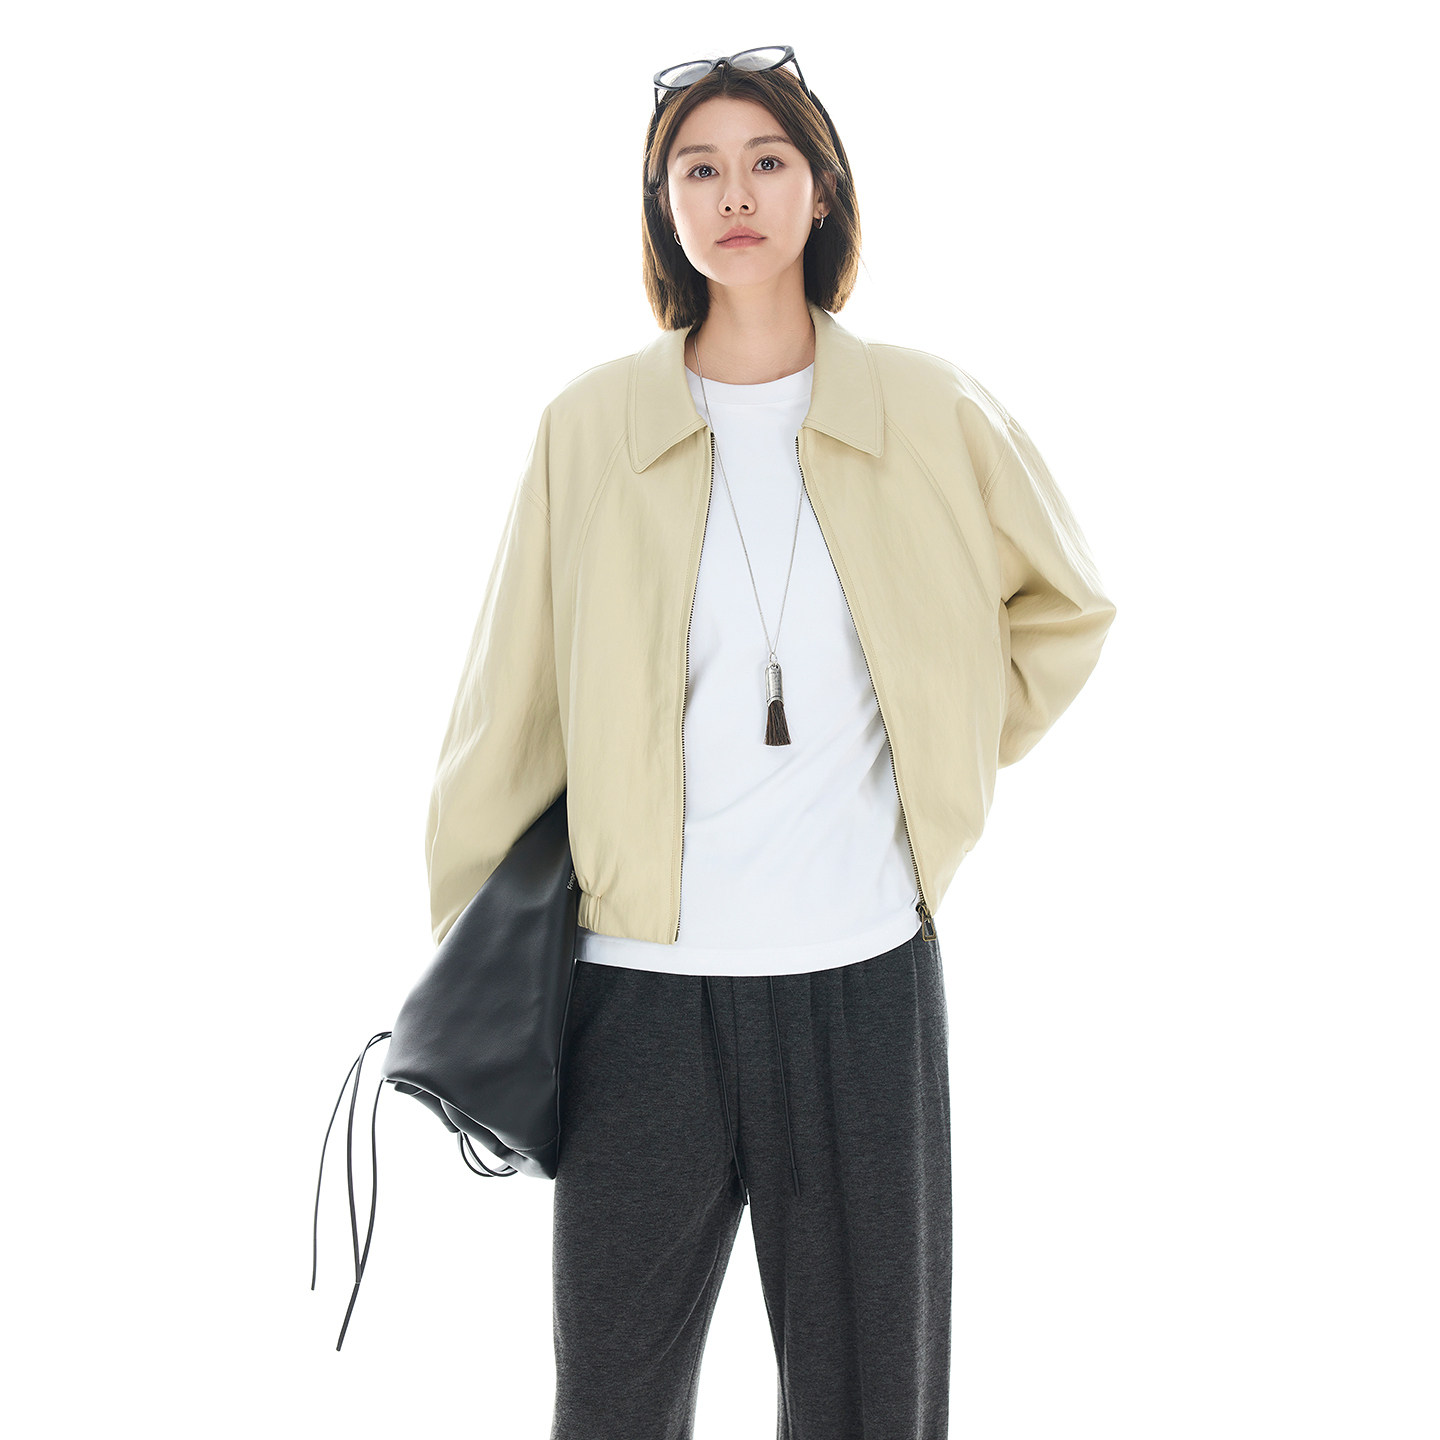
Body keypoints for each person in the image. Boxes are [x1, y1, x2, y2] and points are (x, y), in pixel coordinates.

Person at [423, 45, 1117, 1440]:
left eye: (766, 160)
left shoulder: (928, 408)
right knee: (612, 1403)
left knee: (871, 1405)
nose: (733, 193)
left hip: (861, 979)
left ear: (821, 190)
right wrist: (476, 966)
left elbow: (1064, 608)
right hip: (639, 996)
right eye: (699, 168)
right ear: (664, 206)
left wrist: (937, 760)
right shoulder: (590, 428)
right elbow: (509, 708)